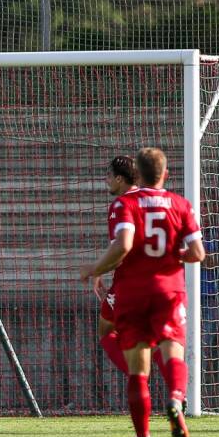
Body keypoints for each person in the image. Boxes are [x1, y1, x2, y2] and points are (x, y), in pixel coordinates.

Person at [79, 147, 205, 437]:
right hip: (169, 290)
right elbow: (198, 253)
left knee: (138, 370)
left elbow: (122, 245)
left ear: (136, 173)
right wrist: (175, 255)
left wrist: (95, 269)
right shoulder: (181, 205)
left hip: (132, 291)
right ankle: (176, 399)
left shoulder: (125, 203)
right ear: (165, 174)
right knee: (173, 349)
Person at [91, 155, 138, 375]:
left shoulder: (120, 205)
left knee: (106, 329)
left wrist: (97, 271)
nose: (106, 180)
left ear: (120, 179)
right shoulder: (153, 198)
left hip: (130, 281)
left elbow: (120, 250)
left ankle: (137, 378)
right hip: (164, 280)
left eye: (109, 175)